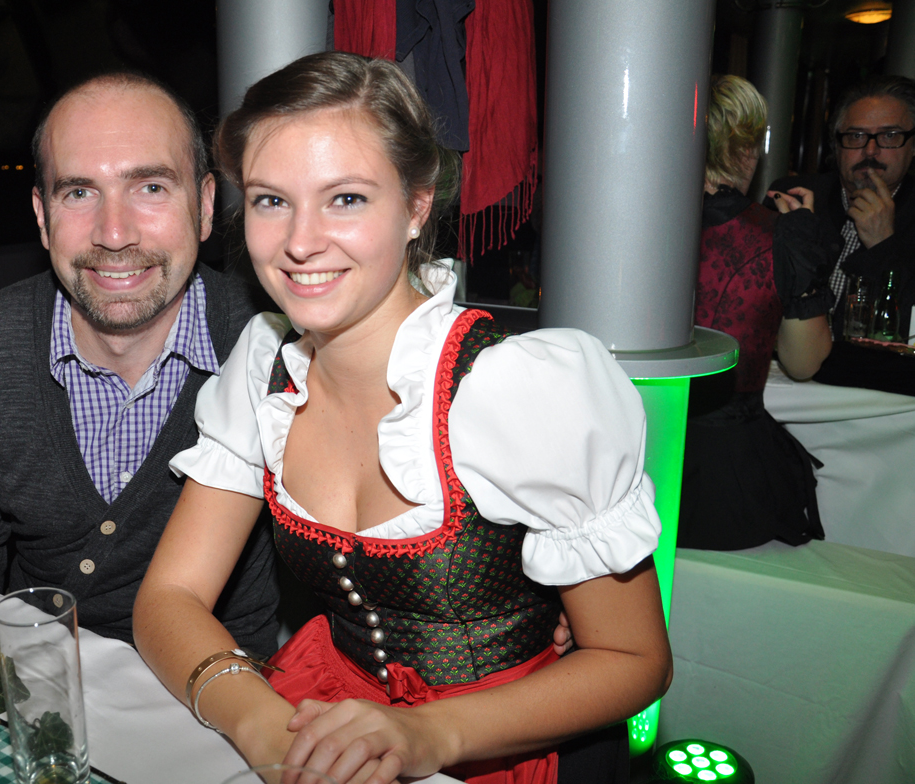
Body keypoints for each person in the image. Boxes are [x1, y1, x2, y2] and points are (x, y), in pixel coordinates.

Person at [134, 52, 672, 784]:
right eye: (270, 200)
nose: (300, 241)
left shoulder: (514, 389)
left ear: (417, 206)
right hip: (317, 707)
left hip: (501, 743)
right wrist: (259, 723)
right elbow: (169, 598)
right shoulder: (263, 368)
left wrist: (429, 734)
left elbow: (635, 661)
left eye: (346, 198)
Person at [0, 71, 280, 654]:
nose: (114, 234)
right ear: (42, 215)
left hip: (221, 681)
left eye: (151, 187)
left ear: (206, 205)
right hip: (38, 671)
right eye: (79, 193)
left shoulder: (277, 348)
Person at [678, 76, 835, 552]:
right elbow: (804, 362)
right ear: (747, 149)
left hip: (630, 459)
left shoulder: (625, 221)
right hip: (726, 477)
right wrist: (798, 244)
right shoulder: (779, 235)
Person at [767, 75, 915, 343]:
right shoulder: (794, 197)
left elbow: (907, 332)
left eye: (889, 135)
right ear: (836, 145)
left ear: (912, 146)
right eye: (856, 136)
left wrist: (883, 247)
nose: (870, 150)